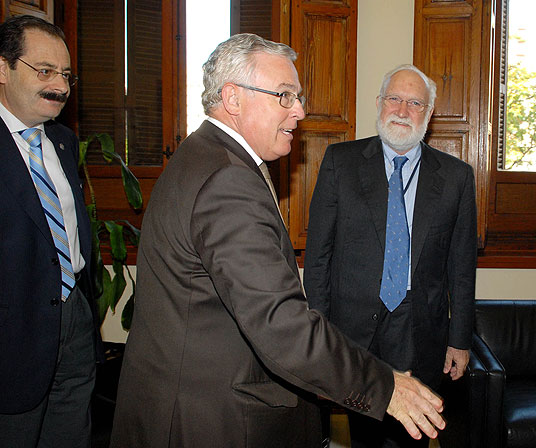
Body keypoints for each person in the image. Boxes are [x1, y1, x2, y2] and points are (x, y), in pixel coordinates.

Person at [109, 34, 446, 447]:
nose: (300, 111)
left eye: (298, 97)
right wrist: (385, 386)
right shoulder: (226, 180)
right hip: (211, 418)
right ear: (233, 98)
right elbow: (280, 325)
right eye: (285, 96)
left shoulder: (206, 154)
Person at [304, 64, 478, 447]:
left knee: (413, 430)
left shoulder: (456, 178)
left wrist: (460, 339)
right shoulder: (339, 162)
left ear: (428, 115)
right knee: (364, 433)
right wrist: (318, 335)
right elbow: (318, 257)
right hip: (351, 327)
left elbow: (462, 268)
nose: (403, 110)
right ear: (379, 104)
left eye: (415, 102)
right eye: (394, 99)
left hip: (419, 326)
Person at [0, 14, 101, 448]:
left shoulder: (62, 141)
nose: (59, 86)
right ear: (2, 68)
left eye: (65, 74)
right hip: (13, 336)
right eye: (44, 71)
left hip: (74, 318)